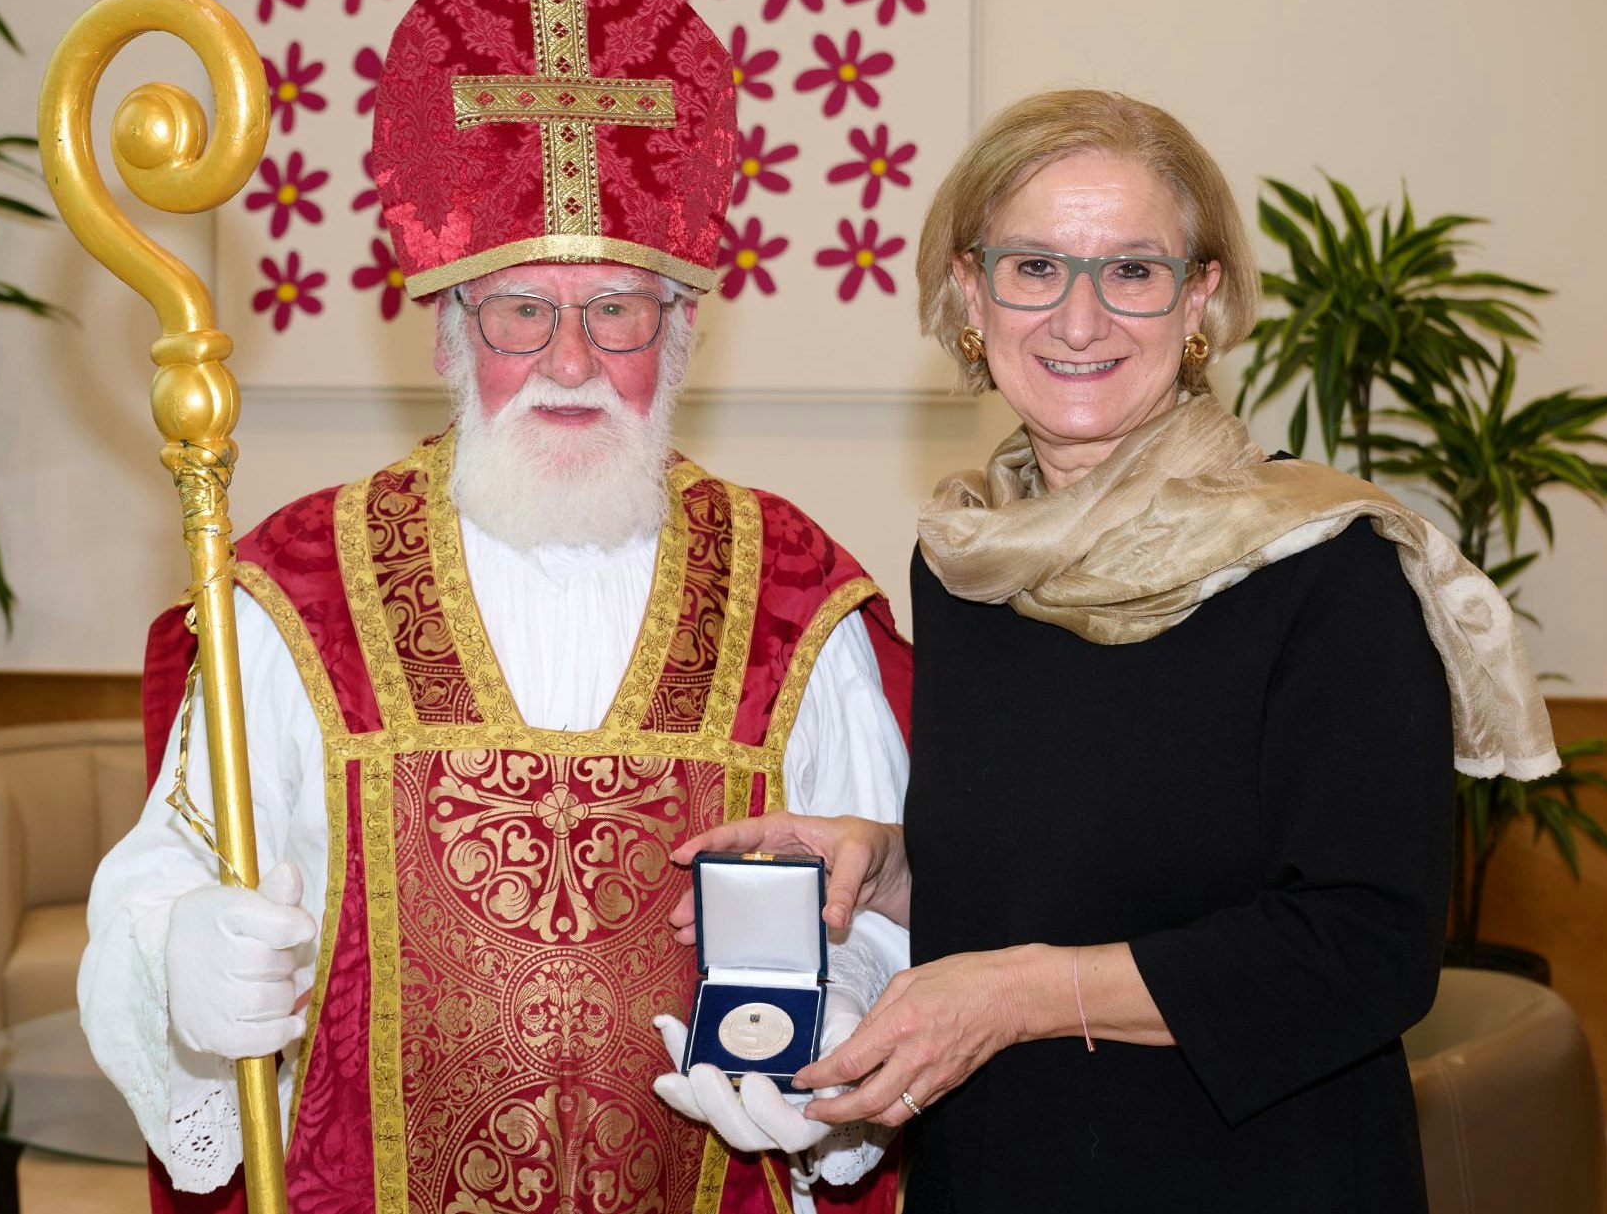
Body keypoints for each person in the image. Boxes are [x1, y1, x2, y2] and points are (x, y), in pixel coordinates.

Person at [79, 0, 910, 1214]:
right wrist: (175, 949)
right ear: (450, 330)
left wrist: (843, 1009)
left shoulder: (791, 591)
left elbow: (884, 890)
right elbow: (163, 870)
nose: (571, 360)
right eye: (523, 309)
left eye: (619, 313)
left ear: (680, 335)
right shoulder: (296, 588)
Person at [667, 89, 1561, 1211]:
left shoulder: (1325, 568)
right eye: (1033, 267)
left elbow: (1366, 947)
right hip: (1001, 1162)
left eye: (1131, 271)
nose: (1077, 320)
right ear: (967, 295)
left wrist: (1020, 994)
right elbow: (1070, 862)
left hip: (1252, 1176)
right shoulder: (965, 562)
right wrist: (890, 865)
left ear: (1200, 300)